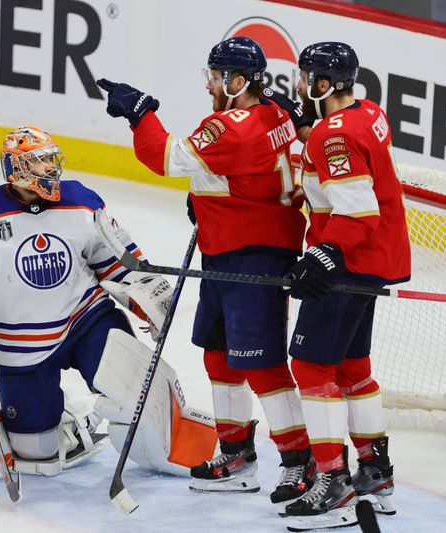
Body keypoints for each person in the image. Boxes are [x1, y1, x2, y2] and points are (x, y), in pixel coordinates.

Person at [96, 37, 317, 510]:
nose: (210, 85)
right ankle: (237, 457)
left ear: (237, 83)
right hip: (227, 250)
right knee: (219, 356)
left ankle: (299, 461)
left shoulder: (232, 126)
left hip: (254, 256)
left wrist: (140, 113)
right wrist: (209, 194)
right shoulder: (273, 112)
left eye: (216, 77)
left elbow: (165, 157)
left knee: (262, 365)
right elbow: (245, 169)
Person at [0, 126, 213, 476]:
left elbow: (117, 259)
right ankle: (54, 422)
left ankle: (166, 433)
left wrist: (150, 301)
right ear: (17, 167)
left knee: (137, 396)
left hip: (86, 321)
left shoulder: (80, 200)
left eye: (52, 158)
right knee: (38, 454)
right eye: (40, 162)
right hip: (21, 346)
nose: (51, 168)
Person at [281, 42, 411, 531]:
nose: (298, 85)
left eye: (304, 77)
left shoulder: (333, 138)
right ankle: (375, 474)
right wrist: (310, 130)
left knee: (311, 365)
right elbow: (352, 161)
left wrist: (323, 253)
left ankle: (333, 483)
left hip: (350, 260)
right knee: (353, 367)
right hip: (375, 259)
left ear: (323, 85)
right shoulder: (368, 111)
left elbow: (356, 209)